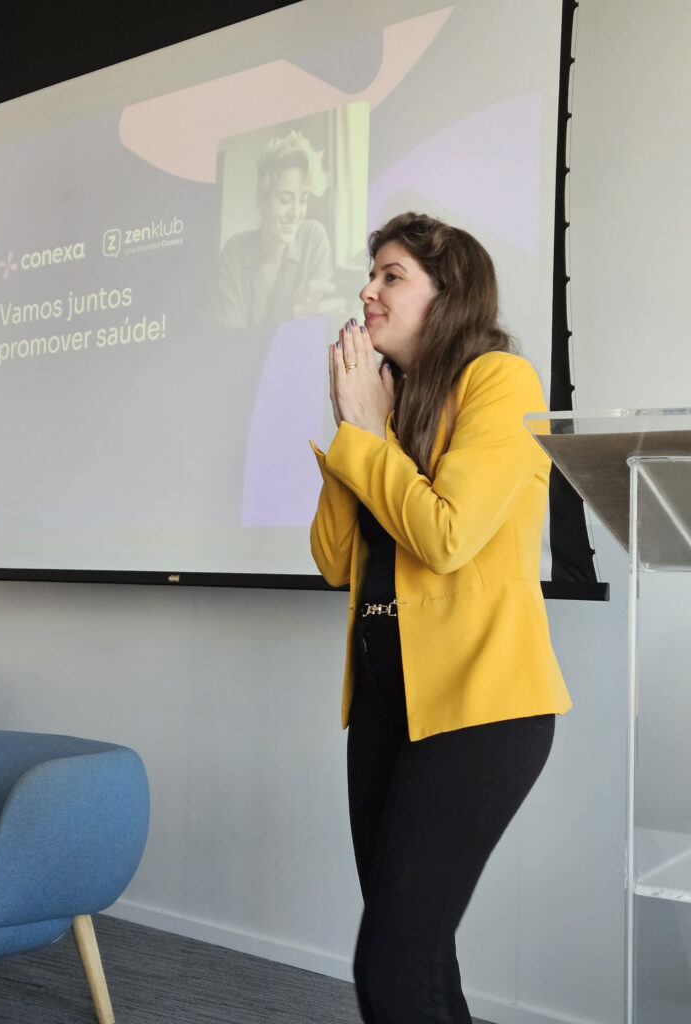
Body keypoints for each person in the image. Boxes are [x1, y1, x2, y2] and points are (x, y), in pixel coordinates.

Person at [309, 212, 571, 1022]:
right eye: (371, 274)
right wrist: (357, 430)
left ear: (448, 293)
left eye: (392, 275)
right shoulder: (387, 410)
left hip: (481, 708)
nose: (368, 290)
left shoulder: (500, 381)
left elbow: (447, 536)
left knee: (390, 963)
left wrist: (365, 435)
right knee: (416, 958)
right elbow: (335, 561)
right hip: (386, 706)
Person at [219, 130, 344, 328]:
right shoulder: (234, 252)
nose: (296, 213)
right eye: (285, 200)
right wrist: (290, 316)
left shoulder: (313, 239)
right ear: (262, 198)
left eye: (302, 200)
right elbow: (229, 340)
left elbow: (315, 330)